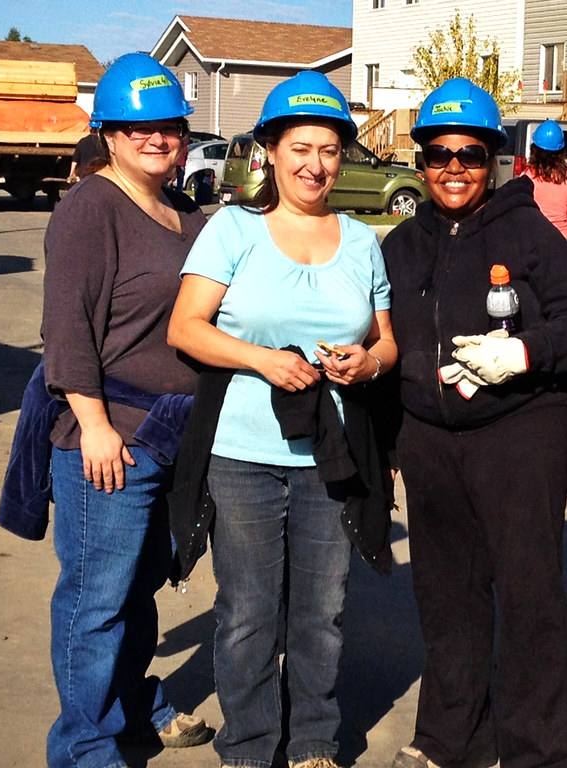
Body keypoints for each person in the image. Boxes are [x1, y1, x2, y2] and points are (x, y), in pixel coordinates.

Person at [166, 70, 397, 768]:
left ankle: (313, 743)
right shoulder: (232, 229)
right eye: (300, 147)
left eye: (329, 149)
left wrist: (368, 363)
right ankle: (249, 745)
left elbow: (387, 340)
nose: (314, 164)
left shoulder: (361, 241)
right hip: (242, 455)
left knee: (321, 613)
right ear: (270, 150)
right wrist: (262, 360)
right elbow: (186, 328)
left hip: (332, 457)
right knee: (247, 613)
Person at [380, 78, 567, 768]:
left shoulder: (528, 231)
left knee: (529, 597)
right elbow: (380, 345)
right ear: (419, 160)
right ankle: (453, 740)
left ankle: (542, 751)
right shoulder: (400, 245)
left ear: (495, 159)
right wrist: (388, 445)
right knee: (445, 595)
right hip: (429, 440)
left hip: (520, 435)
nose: (453, 168)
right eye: (439, 154)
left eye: (470, 155)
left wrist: (524, 351)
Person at [38, 53, 213, 768]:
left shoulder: (188, 214)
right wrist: (95, 426)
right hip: (109, 437)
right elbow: (66, 330)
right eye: (136, 126)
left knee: (139, 592)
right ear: (107, 133)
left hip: (172, 437)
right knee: (95, 601)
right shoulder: (90, 209)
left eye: (168, 125)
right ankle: (83, 747)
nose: (155, 137)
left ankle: (131, 706)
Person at [519, 119, 567, 246]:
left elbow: (520, 211)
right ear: (561, 151)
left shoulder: (527, 176)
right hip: (561, 240)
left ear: (535, 149)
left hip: (533, 238)